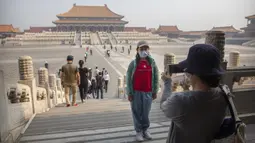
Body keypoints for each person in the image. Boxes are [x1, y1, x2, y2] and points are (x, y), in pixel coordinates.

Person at [160, 44, 227, 143]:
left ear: (194, 73)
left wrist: (167, 81)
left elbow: (163, 105)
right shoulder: (224, 94)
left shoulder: (179, 101)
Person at [126, 41, 159, 141]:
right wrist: (130, 92)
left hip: (148, 91)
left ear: (148, 50)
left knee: (146, 112)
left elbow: (156, 77)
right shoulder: (133, 63)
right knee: (136, 112)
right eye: (142, 49)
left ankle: (146, 129)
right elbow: (128, 78)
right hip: (136, 92)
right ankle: (139, 131)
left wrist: (155, 91)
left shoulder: (152, 63)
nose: (144, 51)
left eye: (146, 49)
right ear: (137, 50)